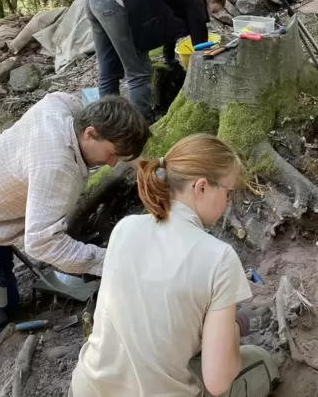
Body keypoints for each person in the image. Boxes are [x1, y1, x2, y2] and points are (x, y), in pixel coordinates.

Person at [0, 93, 151, 364]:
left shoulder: (63, 107)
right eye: (112, 154)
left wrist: (142, 165)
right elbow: (42, 243)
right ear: (89, 133)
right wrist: (108, 261)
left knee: (6, 307)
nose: (112, 164)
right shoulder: (57, 166)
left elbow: (70, 97)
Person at [70, 134, 279, 397]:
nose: (228, 203)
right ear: (201, 187)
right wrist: (234, 330)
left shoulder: (125, 229)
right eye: (228, 192)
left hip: (87, 388)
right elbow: (218, 381)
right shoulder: (219, 257)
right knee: (261, 361)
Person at [85, 0, 215, 119]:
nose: (210, 16)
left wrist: (170, 59)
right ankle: (140, 128)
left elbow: (170, 23)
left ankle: (107, 123)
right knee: (138, 73)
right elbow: (200, 45)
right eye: (214, 10)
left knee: (108, 71)